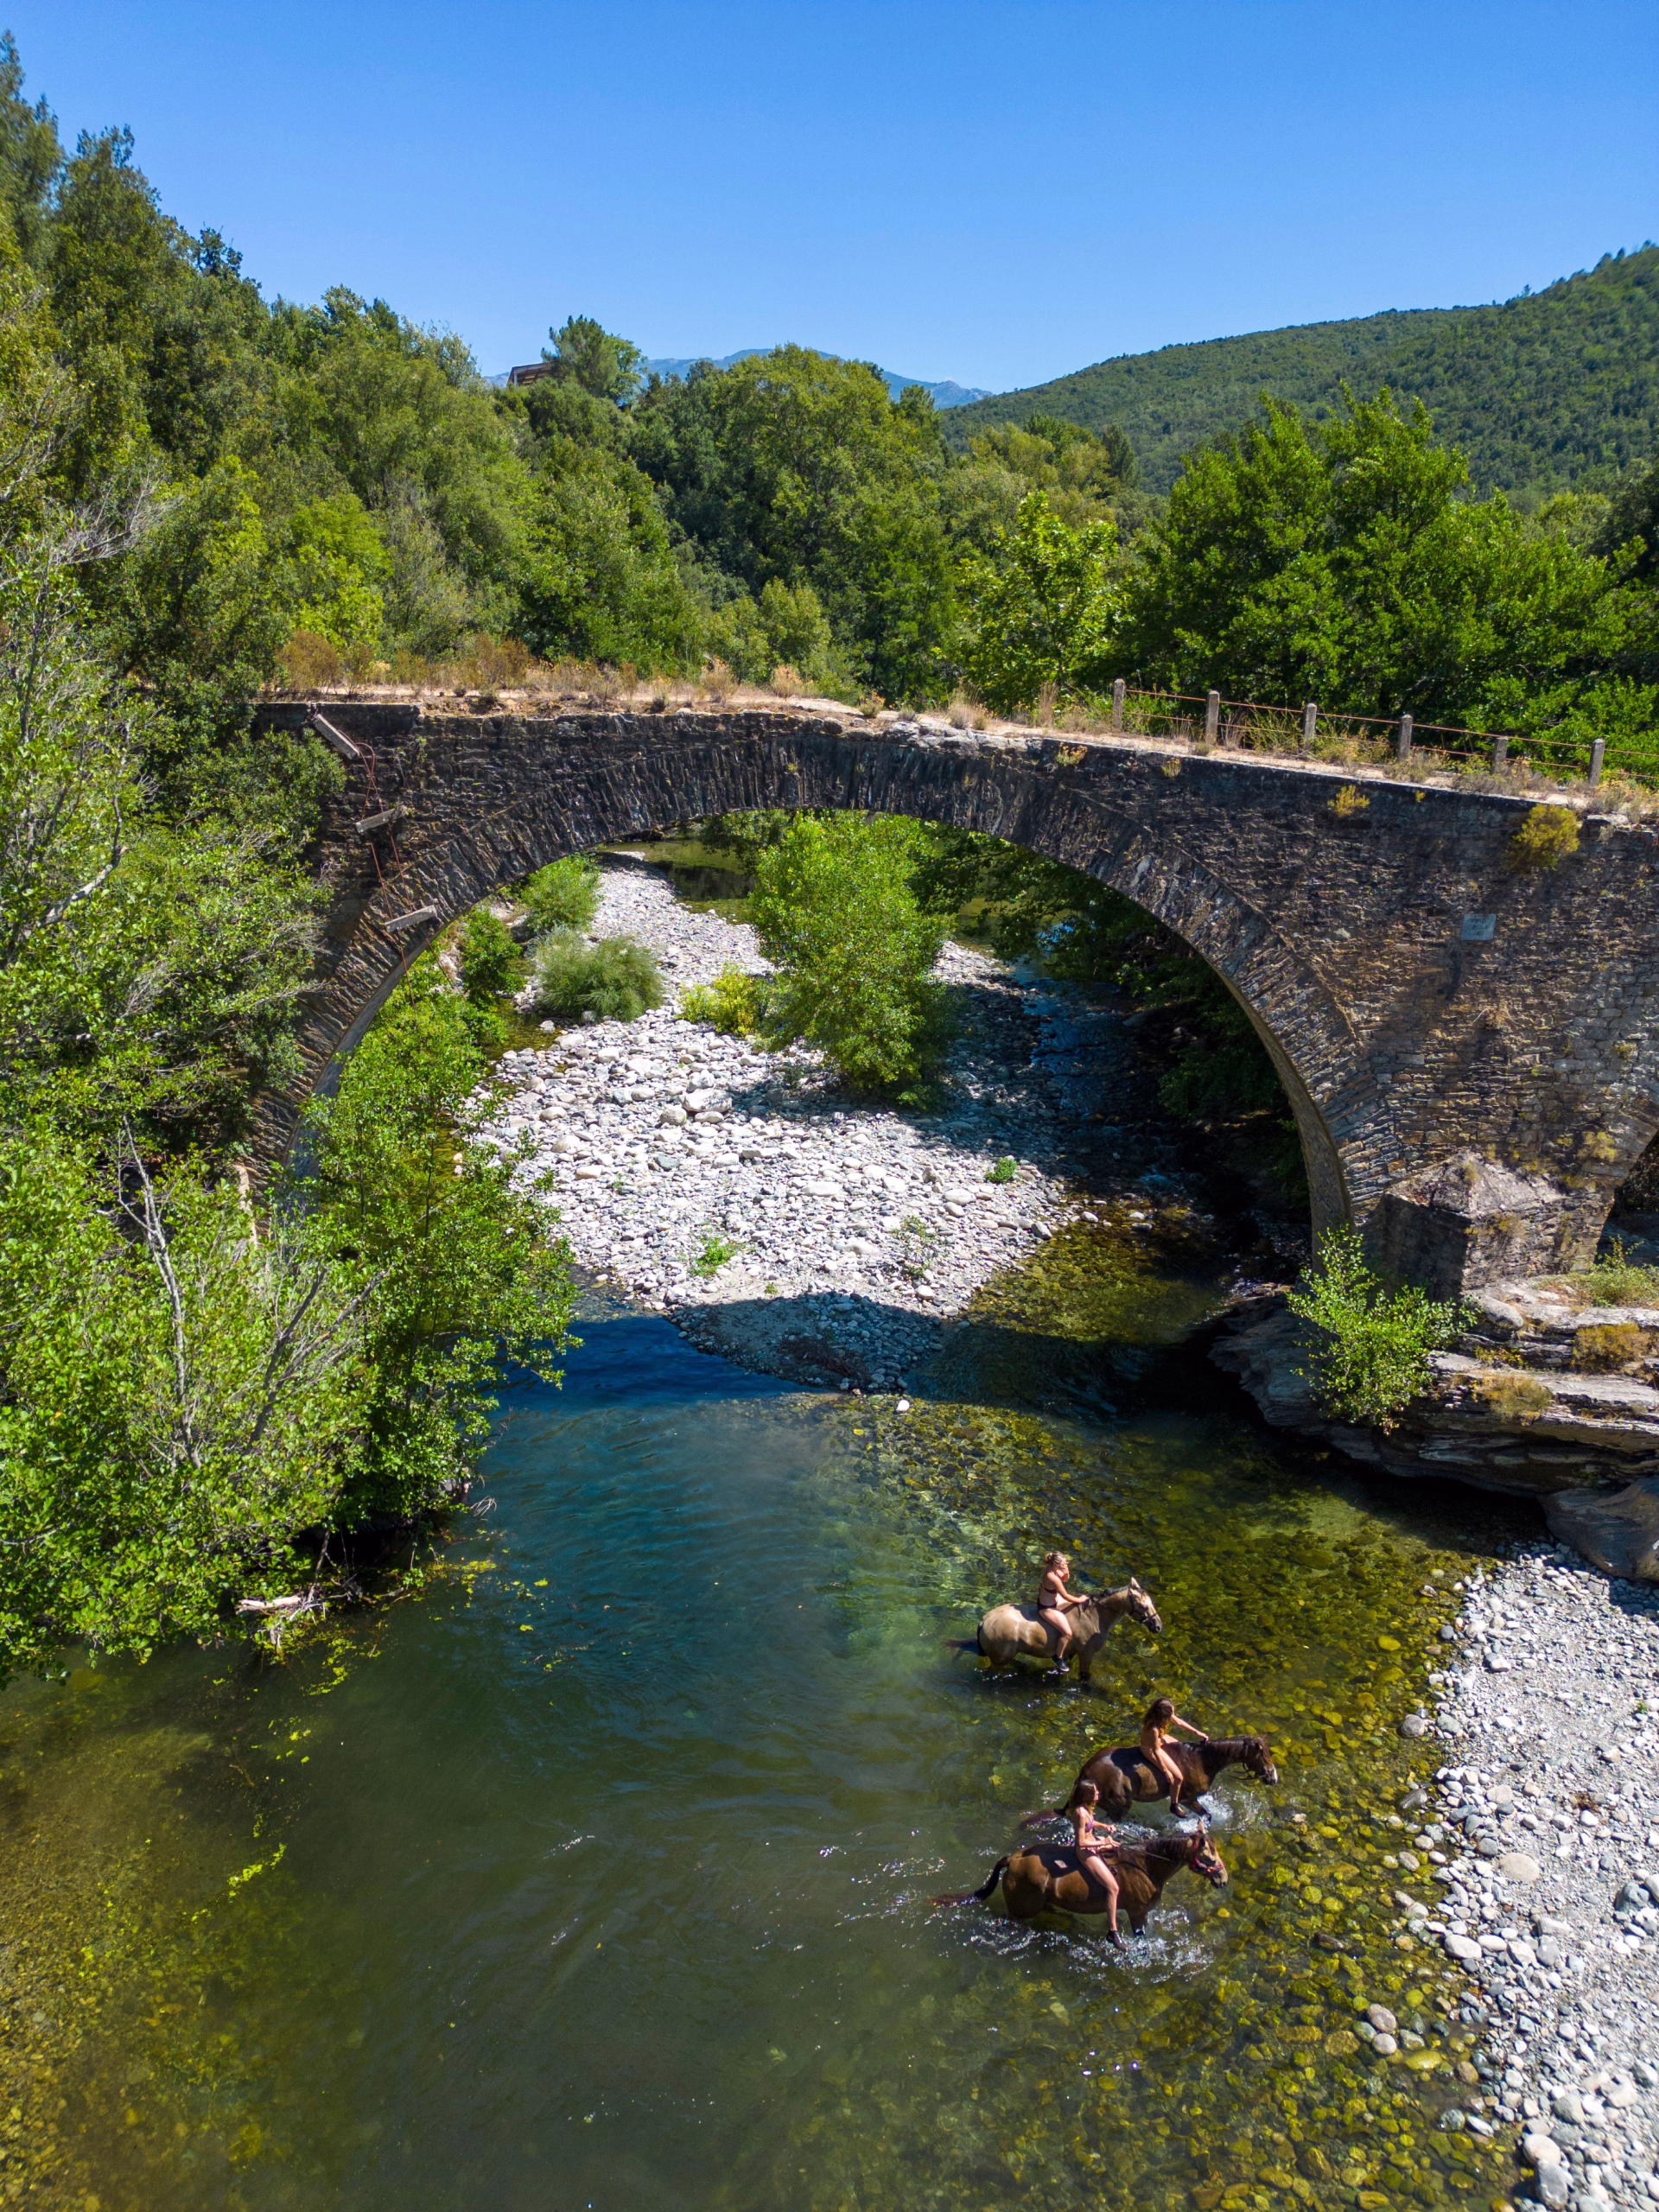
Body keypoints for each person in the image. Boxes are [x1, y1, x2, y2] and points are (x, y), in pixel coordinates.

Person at [1070, 1780, 1122, 1941]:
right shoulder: (1079, 1813)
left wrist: (1105, 1827)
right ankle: (1112, 1932)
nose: (1098, 1794)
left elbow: (1090, 1824)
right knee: (1113, 1888)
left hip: (1093, 1841)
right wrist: (1103, 1842)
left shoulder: (1087, 1810)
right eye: (1095, 1792)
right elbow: (1081, 1842)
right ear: (1087, 1795)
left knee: (1120, 1846)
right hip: (1085, 1851)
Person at [1140, 1695, 1209, 1817]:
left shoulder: (1159, 1716)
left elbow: (1179, 1722)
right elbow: (1156, 1750)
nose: (1173, 1715)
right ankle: (1174, 1805)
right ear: (1163, 1715)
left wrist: (1197, 1732)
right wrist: (1166, 1771)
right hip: (1150, 1748)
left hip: (1160, 1740)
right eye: (1171, 1713)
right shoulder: (1154, 1729)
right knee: (1178, 1778)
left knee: (1179, 1746)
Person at [1035, 1550, 1089, 1667]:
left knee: (1074, 1607)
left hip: (1052, 1599)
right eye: (1063, 1564)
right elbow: (1066, 1596)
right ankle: (1057, 1657)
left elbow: (1064, 1579)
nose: (1065, 1565)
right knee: (1067, 1633)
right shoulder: (1052, 1577)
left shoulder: (1052, 1569)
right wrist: (1081, 1599)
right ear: (1056, 1564)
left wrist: (1067, 1572)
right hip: (1047, 1607)